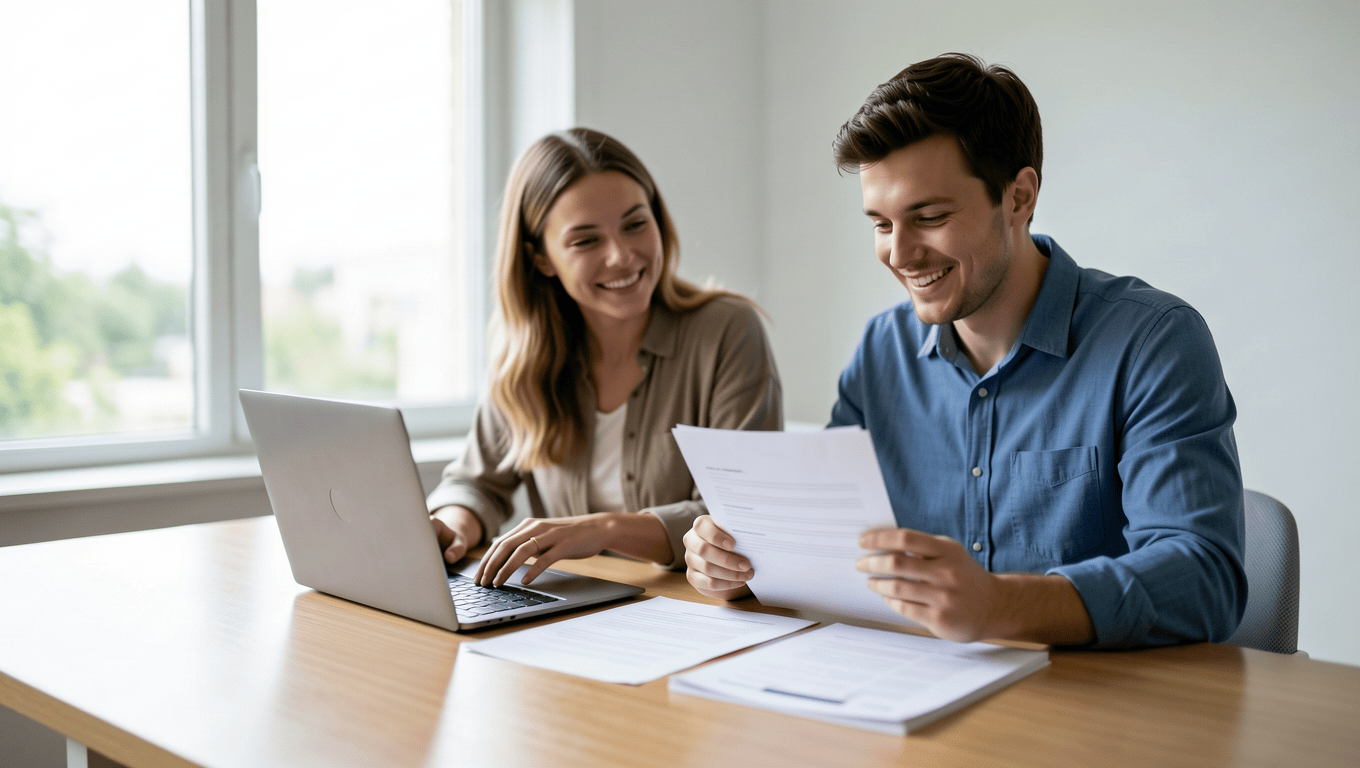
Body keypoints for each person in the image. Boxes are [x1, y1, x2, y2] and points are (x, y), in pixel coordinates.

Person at [683, 54, 1246, 649]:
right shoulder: (882, 351)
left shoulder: (1153, 341)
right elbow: (828, 545)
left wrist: (1002, 605)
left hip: (1091, 714)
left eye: (928, 217)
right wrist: (742, 564)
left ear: (1018, 199)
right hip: (910, 698)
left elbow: (1203, 577)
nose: (899, 254)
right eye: (880, 224)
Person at [426, 127, 781, 588]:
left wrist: (601, 529)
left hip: (691, 610)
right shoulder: (525, 357)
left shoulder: (727, 331)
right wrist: (451, 524)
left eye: (636, 224)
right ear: (541, 259)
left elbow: (742, 512)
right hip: (573, 611)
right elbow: (477, 484)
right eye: (586, 241)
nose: (622, 256)